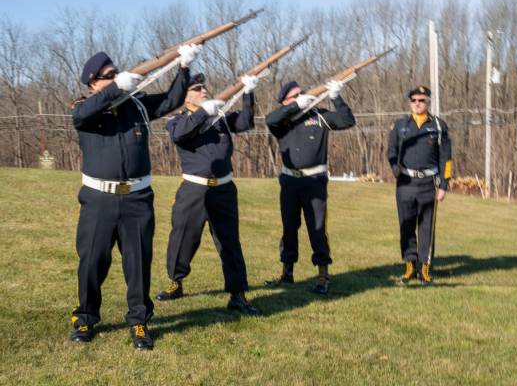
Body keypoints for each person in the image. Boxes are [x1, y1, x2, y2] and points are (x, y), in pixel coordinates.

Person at [70, 44, 200, 349]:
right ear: (93, 83)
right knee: (92, 261)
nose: (116, 77)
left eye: (117, 73)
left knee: (138, 263)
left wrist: (183, 67)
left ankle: (139, 321)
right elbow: (81, 116)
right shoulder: (86, 107)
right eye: (109, 76)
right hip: (99, 199)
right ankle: (85, 317)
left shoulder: (137, 104)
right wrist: (116, 88)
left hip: (138, 199)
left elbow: (171, 100)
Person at [155, 73, 260, 316]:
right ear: (186, 96)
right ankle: (175, 281)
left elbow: (245, 122)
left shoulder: (220, 116)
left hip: (223, 188)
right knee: (183, 238)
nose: (204, 91)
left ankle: (237, 294)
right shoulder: (177, 119)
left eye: (204, 87)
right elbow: (180, 134)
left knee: (229, 242)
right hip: (194, 189)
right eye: (198, 88)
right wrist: (204, 112)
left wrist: (248, 93)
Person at [264, 80, 356, 294]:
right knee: (289, 227)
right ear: (285, 101)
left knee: (317, 229)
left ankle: (323, 276)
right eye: (294, 96)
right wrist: (295, 106)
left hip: (314, 181)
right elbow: (270, 119)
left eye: (301, 94)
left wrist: (336, 97)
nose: (300, 97)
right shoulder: (283, 122)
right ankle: (287, 273)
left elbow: (347, 120)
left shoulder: (319, 115)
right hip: (289, 181)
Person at [387, 85, 452, 285]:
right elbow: (391, 150)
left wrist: (443, 185)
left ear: (428, 102)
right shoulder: (400, 126)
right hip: (405, 182)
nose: (417, 104)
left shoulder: (439, 126)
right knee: (406, 225)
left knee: (426, 227)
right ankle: (409, 265)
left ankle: (424, 268)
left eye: (421, 100)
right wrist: (393, 166)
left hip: (428, 184)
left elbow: (446, 160)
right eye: (414, 100)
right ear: (410, 103)